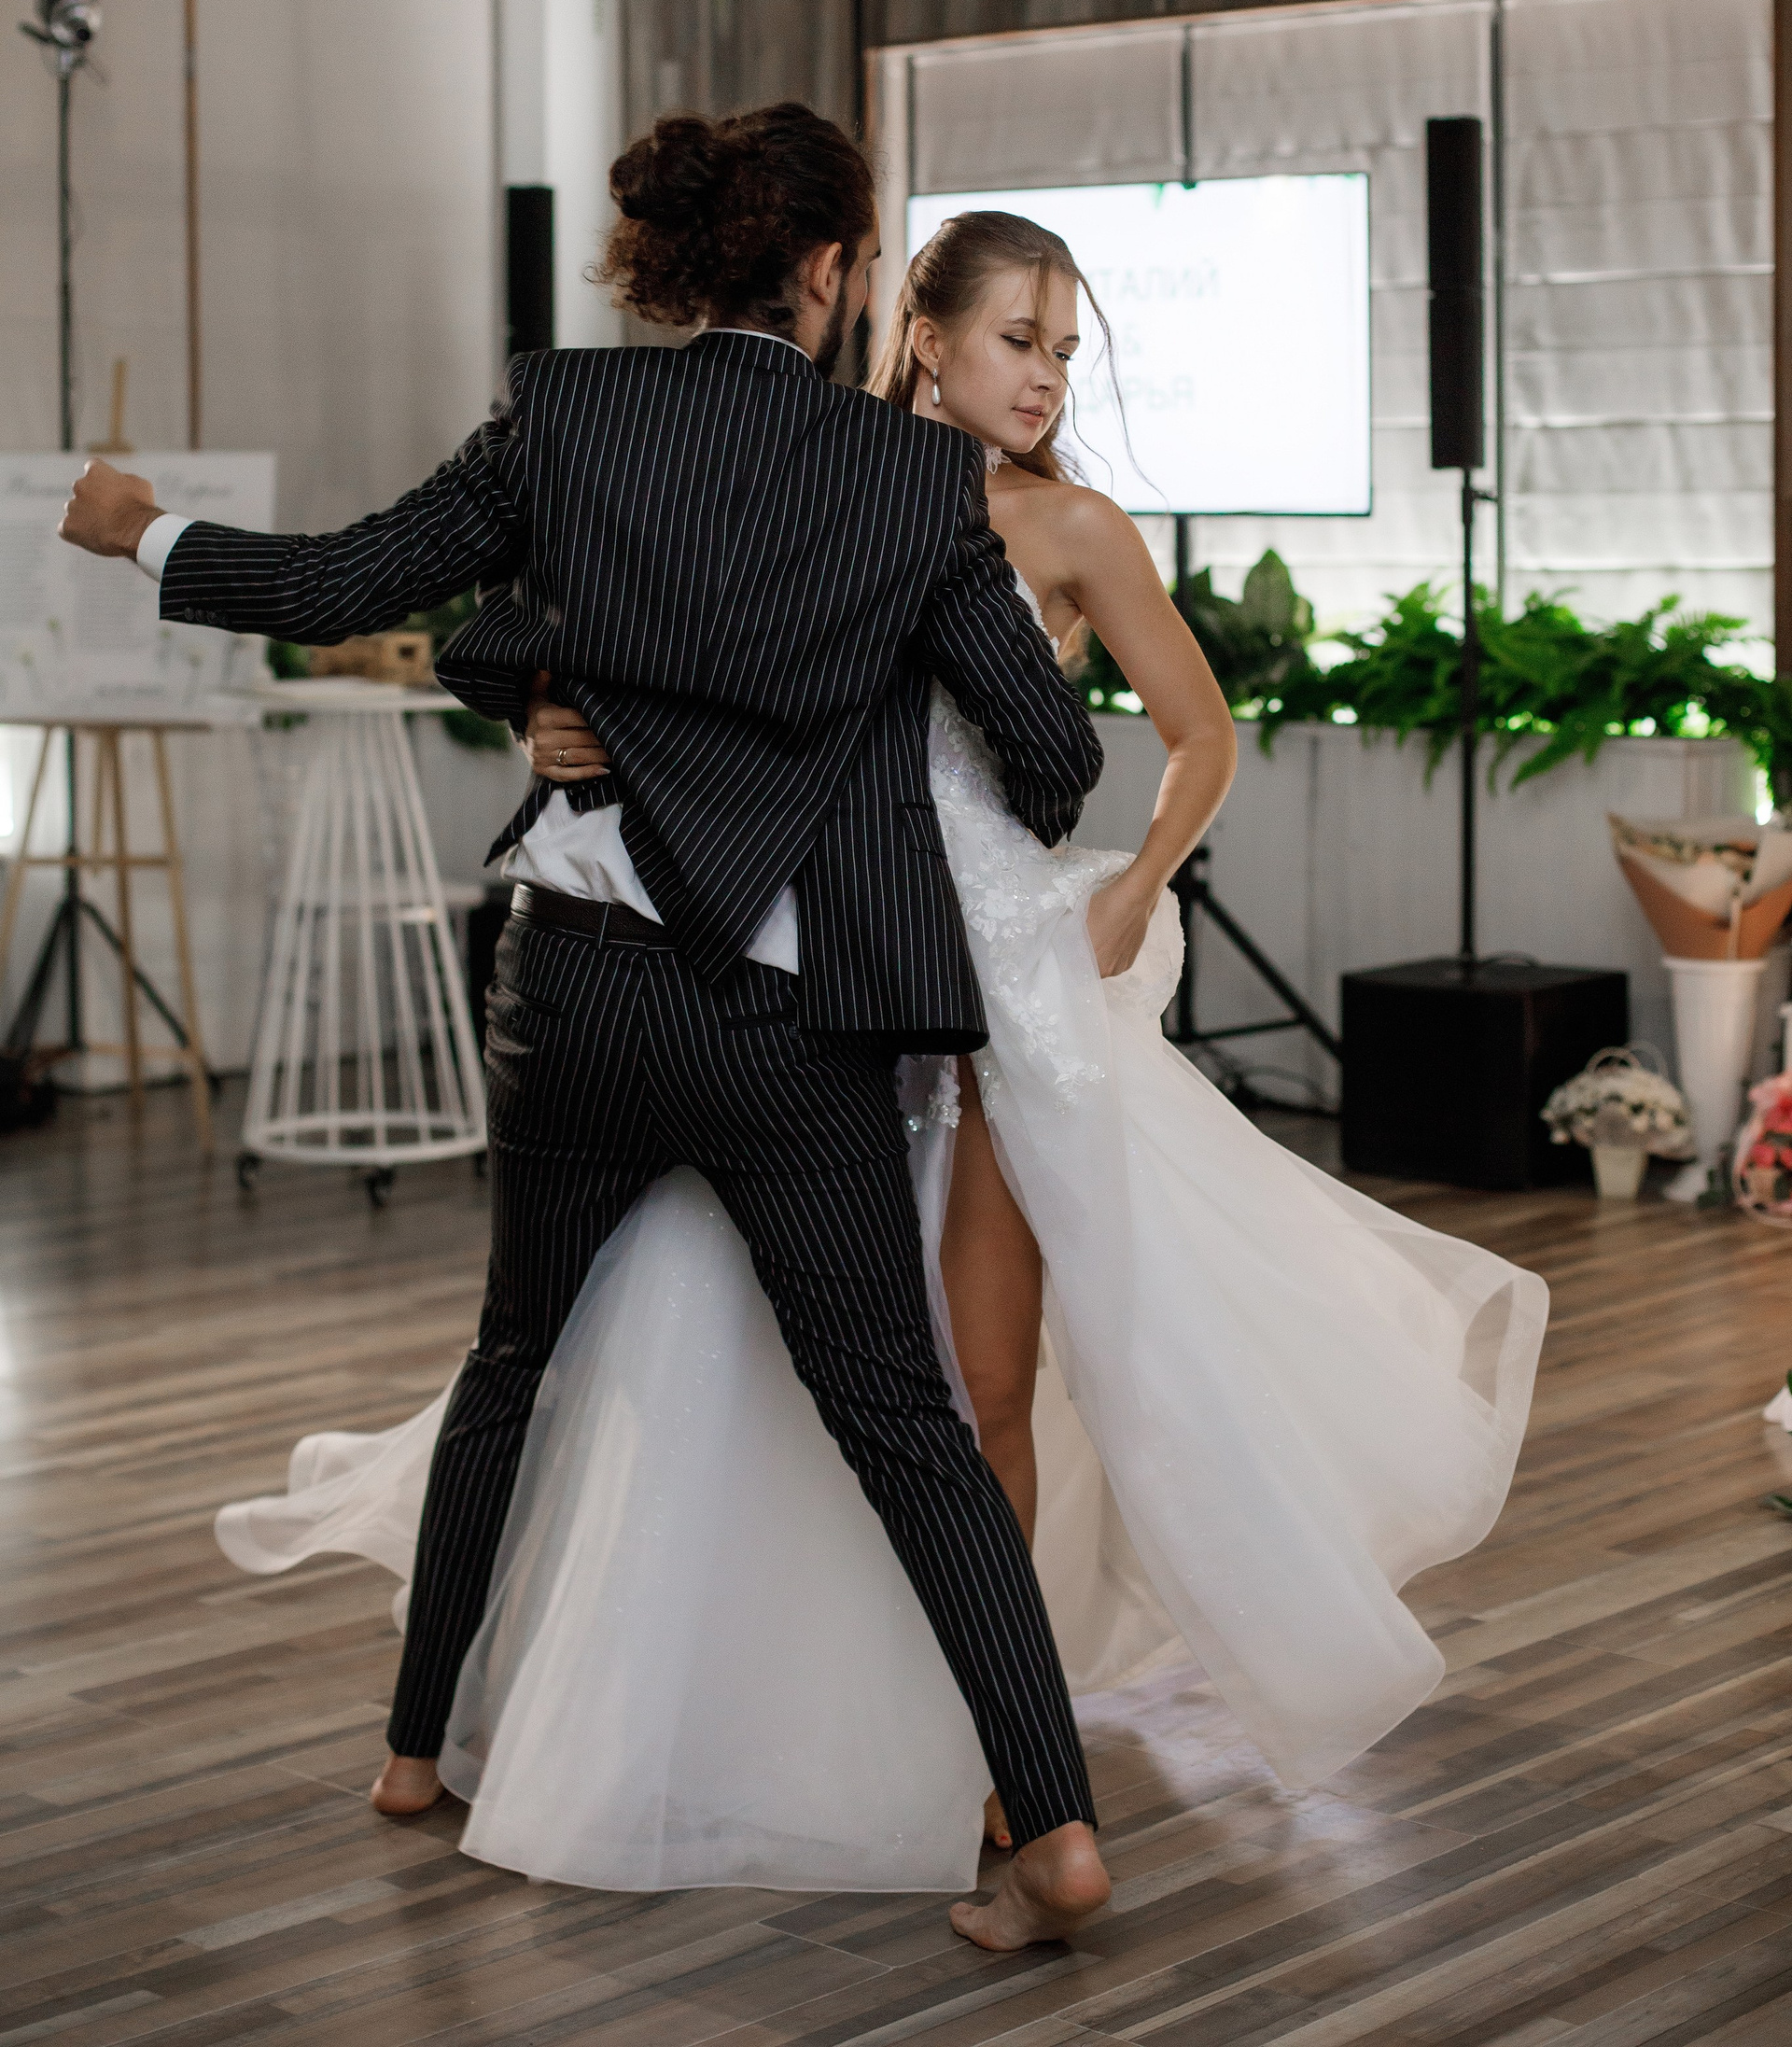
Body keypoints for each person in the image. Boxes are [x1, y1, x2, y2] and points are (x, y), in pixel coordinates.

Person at [214, 209, 1549, 1928]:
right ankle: (759, 1719)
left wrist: (1138, 885)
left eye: (1065, 351)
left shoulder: (1072, 527)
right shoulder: (814, 469)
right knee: (740, 1376)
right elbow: (636, 635)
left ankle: (1013, 1778)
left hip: (988, 992)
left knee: (976, 1395)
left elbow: (1195, 734)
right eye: (1019, 340)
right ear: (918, 331)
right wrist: (548, 708)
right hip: (803, 984)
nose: (1046, 377)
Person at [59, 104, 1114, 1953]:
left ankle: (412, 1753)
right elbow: (1050, 759)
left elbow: (335, 586)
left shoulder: (566, 419)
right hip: (792, 1027)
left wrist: (142, 532)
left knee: (511, 1362)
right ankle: (1058, 1832)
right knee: (908, 1432)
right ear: (830, 271)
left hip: (578, 993)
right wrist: (849, 729)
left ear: (684, 259)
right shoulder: (909, 481)